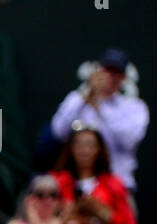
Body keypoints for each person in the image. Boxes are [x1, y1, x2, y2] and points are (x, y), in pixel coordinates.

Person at [49, 48, 148, 193]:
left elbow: (128, 140)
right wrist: (87, 95)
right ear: (96, 71)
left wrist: (100, 109)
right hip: (76, 187)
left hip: (117, 188)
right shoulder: (77, 99)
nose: (111, 77)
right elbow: (58, 132)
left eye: (117, 73)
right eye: (107, 71)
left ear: (124, 77)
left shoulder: (135, 107)